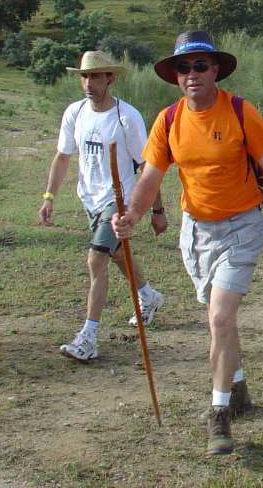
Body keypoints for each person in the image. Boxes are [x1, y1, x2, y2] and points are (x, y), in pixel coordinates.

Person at [111, 30, 263, 457]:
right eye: (184, 67)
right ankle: (237, 387)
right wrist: (133, 216)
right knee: (219, 318)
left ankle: (218, 416)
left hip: (242, 228)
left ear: (215, 69)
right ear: (176, 74)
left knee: (219, 318)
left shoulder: (240, 113)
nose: (192, 74)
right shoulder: (169, 120)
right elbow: (149, 178)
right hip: (195, 232)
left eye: (200, 65)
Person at [39, 50, 167, 363]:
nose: (89, 82)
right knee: (117, 254)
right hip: (89, 198)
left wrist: (157, 210)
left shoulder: (127, 117)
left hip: (119, 200)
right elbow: (63, 156)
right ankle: (148, 296)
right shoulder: (75, 113)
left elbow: (148, 167)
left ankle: (88, 337)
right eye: (84, 76)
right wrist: (49, 197)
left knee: (97, 258)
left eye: (96, 76)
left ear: (110, 78)